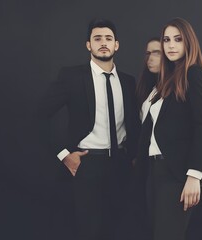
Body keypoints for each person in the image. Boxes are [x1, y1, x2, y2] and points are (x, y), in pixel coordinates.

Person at [38, 18, 140, 240]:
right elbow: (40, 115)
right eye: (97, 39)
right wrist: (64, 155)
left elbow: (134, 124)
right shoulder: (72, 76)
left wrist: (132, 157)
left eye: (108, 38)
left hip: (120, 164)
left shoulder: (128, 81)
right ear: (88, 45)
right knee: (88, 230)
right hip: (85, 165)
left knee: (120, 228)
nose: (103, 43)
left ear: (116, 45)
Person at [137, 17, 202, 240]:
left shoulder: (194, 73)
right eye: (166, 40)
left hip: (177, 174)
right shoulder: (166, 80)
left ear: (188, 42)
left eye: (177, 40)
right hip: (154, 171)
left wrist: (194, 175)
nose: (170, 45)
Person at [136, 37, 162, 123]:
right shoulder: (150, 90)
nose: (150, 58)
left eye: (157, 53)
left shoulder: (176, 89)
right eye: (148, 53)